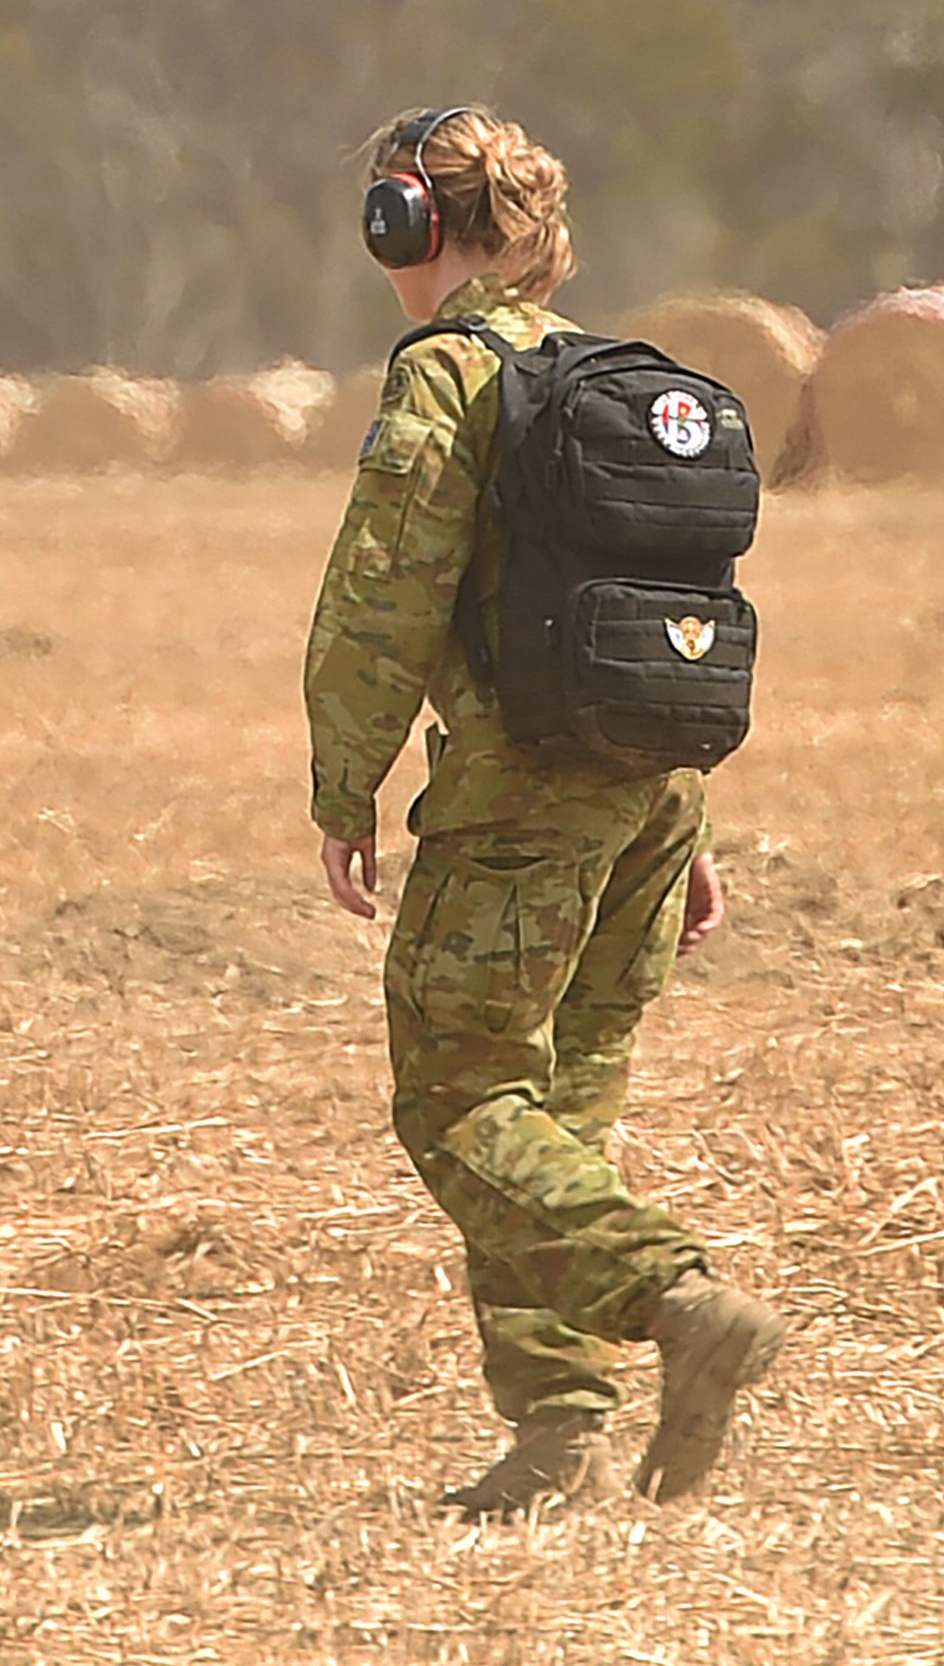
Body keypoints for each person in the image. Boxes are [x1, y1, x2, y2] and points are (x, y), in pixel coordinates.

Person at [306, 104, 785, 1515]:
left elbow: (379, 594)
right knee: (560, 1112)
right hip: (649, 788)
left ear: (410, 224)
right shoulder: (610, 379)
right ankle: (559, 1431)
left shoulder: (447, 378)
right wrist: (682, 823)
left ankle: (678, 1297)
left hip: (518, 794)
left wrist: (348, 784)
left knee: (459, 1099)